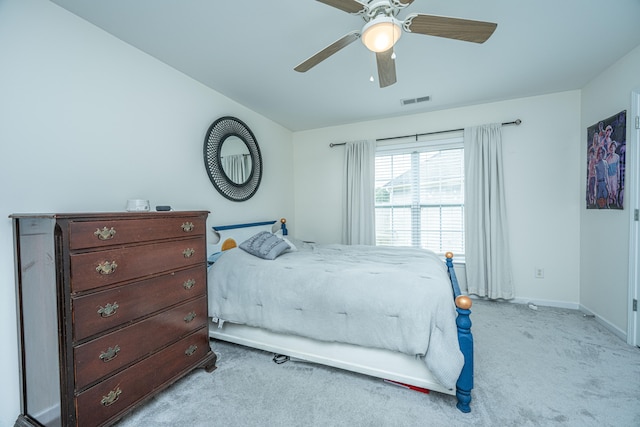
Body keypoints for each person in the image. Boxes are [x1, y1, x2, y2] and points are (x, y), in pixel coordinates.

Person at [605, 141, 620, 207]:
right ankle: (609, 205)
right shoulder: (607, 159)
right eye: (611, 148)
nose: (612, 149)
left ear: (615, 148)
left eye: (613, 147)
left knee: (614, 191)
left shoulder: (617, 157)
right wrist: (607, 180)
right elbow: (606, 171)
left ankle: (616, 203)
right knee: (610, 191)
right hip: (609, 177)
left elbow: (618, 168)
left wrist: (618, 179)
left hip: (614, 176)